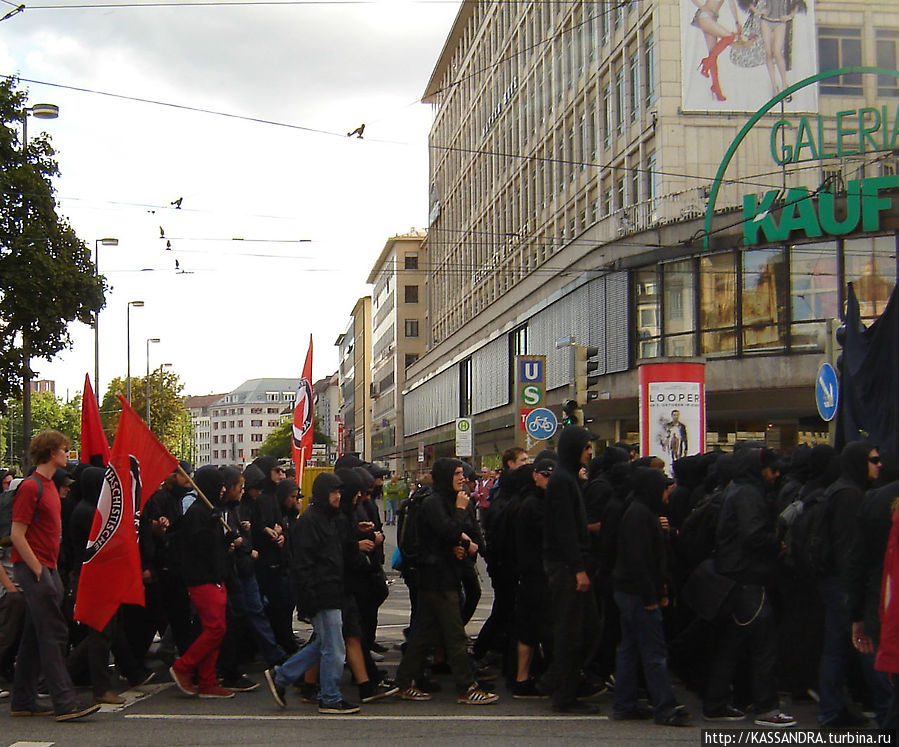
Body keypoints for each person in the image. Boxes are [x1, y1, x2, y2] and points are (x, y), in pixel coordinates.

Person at [9, 430, 101, 722]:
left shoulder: (48, 485)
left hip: (45, 567)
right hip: (35, 567)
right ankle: (64, 702)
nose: (67, 453)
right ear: (50, 453)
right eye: (63, 449)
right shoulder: (31, 487)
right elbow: (16, 533)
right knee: (53, 633)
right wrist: (38, 568)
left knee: (35, 635)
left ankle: (22, 699)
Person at [703, 447, 797, 728]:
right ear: (759, 470)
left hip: (735, 577)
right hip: (749, 578)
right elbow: (754, 535)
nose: (776, 474)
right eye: (771, 469)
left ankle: (716, 703)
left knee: (732, 645)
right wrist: (776, 539)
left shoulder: (736, 489)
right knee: (763, 644)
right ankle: (767, 707)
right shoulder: (748, 494)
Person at [395, 458, 499, 705]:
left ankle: (404, 681)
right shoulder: (434, 502)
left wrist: (461, 546)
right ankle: (467, 686)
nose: (462, 478)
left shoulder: (443, 500)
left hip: (442, 574)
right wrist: (462, 510)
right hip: (437, 577)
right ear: (444, 476)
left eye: (462, 473)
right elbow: (449, 530)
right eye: (457, 474)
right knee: (454, 636)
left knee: (424, 635)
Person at [265, 472, 361, 714]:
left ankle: (282, 676)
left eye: (340, 492)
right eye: (334, 492)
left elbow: (338, 553)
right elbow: (303, 564)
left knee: (325, 644)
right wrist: (308, 599)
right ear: (322, 494)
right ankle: (329, 697)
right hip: (321, 592)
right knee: (334, 647)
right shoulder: (310, 522)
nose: (338, 497)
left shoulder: (330, 518)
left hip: (331, 590)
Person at [612, 467, 690, 726]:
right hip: (637, 593)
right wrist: (652, 595)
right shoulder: (640, 515)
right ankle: (665, 707)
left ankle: (625, 703)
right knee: (653, 650)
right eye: (663, 487)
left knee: (631, 648)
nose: (668, 492)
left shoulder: (641, 512)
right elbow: (640, 561)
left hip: (631, 590)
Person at [543, 425, 601, 715]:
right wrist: (578, 568)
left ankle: (558, 681)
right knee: (572, 632)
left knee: (587, 627)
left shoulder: (568, 479)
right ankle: (564, 694)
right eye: (586, 446)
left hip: (569, 564)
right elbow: (565, 530)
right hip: (566, 568)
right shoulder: (563, 481)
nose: (590, 452)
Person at [169, 466, 235, 699]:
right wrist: (212, 528)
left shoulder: (208, 511)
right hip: (203, 578)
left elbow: (212, 546)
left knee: (213, 629)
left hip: (214, 576)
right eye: (219, 485)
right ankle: (184, 666)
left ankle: (208, 681)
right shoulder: (198, 513)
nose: (223, 489)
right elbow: (198, 546)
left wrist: (226, 539)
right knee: (216, 629)